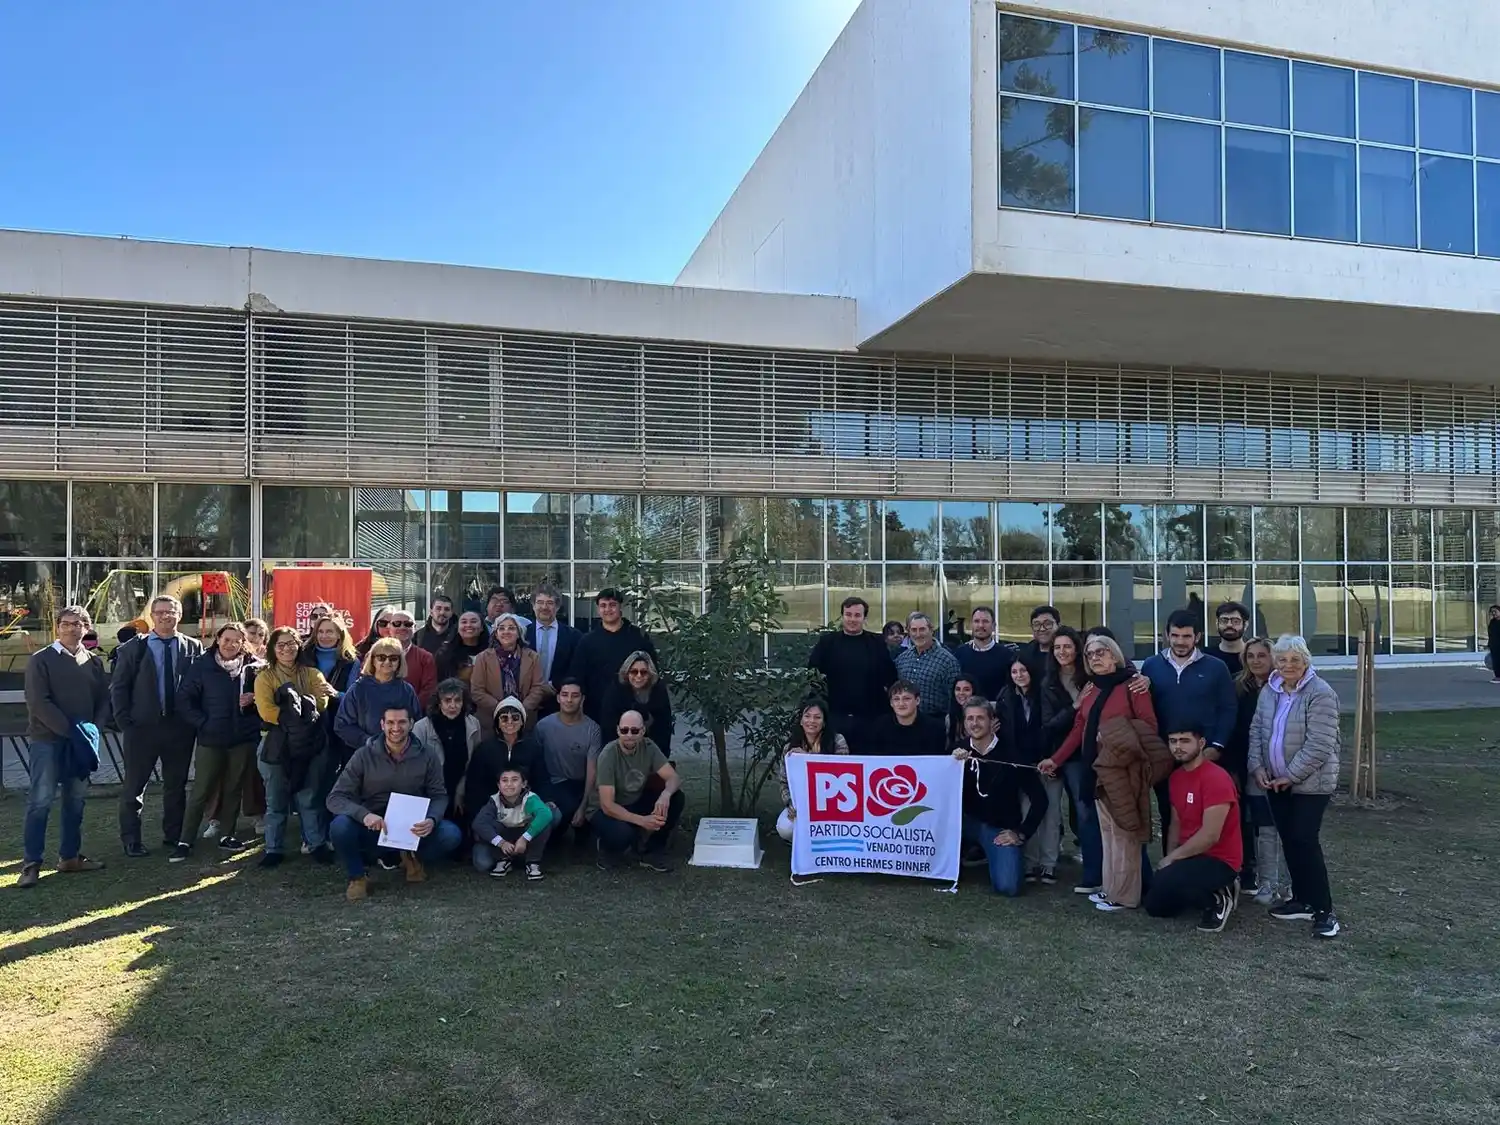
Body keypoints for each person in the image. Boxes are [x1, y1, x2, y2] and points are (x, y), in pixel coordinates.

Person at [1041, 633, 1163, 913]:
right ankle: (1112, 889)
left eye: (1101, 652)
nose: (1095, 657)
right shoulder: (1091, 689)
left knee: (1125, 835)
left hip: (1124, 769)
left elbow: (1149, 726)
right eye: (1090, 654)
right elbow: (1079, 730)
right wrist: (1056, 760)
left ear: (1114, 655)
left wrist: (1113, 736)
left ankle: (1126, 896)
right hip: (1095, 770)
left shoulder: (1133, 686)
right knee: (1108, 834)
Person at [1248, 634, 1341, 939]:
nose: (1288, 665)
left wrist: (1290, 775)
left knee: (1305, 841)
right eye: (1282, 659)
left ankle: (1325, 911)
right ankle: (1302, 900)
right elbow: (1257, 731)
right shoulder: (1270, 690)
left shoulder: (1321, 693)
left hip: (1310, 783)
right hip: (1276, 782)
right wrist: (1257, 767)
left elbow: (1320, 743)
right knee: (1289, 840)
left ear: (1306, 661)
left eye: (1295, 660)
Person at [326, 706, 463, 901]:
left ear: (411, 724)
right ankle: (357, 877)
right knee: (339, 826)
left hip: (412, 828)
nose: (396, 728)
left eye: (402, 722)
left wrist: (431, 819)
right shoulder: (363, 755)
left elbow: (439, 795)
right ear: (382, 725)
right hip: (374, 825)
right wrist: (364, 815)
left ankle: (410, 856)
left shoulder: (427, 755)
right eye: (390, 722)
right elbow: (335, 797)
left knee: (451, 834)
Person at [19, 605, 111, 888]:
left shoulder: (93, 662)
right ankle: (31, 864)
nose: (72, 628)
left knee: (75, 801)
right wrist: (71, 731)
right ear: (57, 627)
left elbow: (103, 700)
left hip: (81, 743)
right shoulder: (41, 660)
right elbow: (39, 702)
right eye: (66, 624)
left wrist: (93, 729)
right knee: (40, 801)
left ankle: (70, 858)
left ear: (87, 627)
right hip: (47, 740)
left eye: (77, 624)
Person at [110, 594, 204, 857]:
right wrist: (124, 722)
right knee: (134, 787)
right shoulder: (133, 648)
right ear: (151, 616)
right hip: (142, 729)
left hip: (179, 729)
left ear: (179, 615)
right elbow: (119, 687)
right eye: (160, 612)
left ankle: (174, 835)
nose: (165, 616)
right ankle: (132, 840)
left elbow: (200, 686)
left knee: (176, 785)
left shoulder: (193, 647)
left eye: (170, 611)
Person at [1140, 609, 1236, 854]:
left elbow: (1228, 708)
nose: (1180, 641)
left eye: (1186, 636)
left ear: (1198, 637)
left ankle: (1209, 865)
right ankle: (1170, 864)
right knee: (1169, 813)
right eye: (1175, 635)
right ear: (1166, 635)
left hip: (1204, 756)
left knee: (1207, 813)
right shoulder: (1151, 666)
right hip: (1164, 756)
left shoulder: (1216, 668)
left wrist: (1217, 746)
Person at [172, 622, 264, 860]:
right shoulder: (202, 665)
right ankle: (185, 840)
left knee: (234, 788)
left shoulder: (254, 667)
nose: (231, 644)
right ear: (218, 639)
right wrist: (203, 722)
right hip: (211, 738)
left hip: (242, 738)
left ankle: (227, 835)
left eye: (236, 640)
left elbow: (268, 697)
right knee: (201, 790)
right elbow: (184, 699)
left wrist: (254, 698)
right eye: (226, 639)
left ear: (243, 643)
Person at [1145, 725, 1243, 933]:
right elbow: (1176, 823)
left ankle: (1219, 897)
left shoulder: (1216, 778)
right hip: (1191, 856)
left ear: (1201, 743)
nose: (1178, 747)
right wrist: (1169, 859)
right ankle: (1196, 889)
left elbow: (1210, 835)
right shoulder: (1176, 778)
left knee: (1168, 881)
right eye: (1173, 741)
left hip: (1220, 860)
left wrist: (1173, 859)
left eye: (1185, 741)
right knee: (1155, 906)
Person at [255, 626, 335, 867]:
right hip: (276, 744)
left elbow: (321, 702)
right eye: (280, 645)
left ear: (299, 647)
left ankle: (316, 844)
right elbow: (267, 711)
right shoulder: (265, 677)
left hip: (311, 742)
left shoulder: (313, 674)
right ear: (273, 649)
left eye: (291, 644)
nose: (286, 649)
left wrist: (296, 711)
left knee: (309, 796)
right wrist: (298, 714)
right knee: (275, 799)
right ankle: (273, 849)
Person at [953, 698, 1046, 896]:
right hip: (963, 824)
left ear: (992, 721)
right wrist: (952, 764)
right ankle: (968, 854)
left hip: (998, 828)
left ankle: (990, 854)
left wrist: (1021, 833)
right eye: (970, 718)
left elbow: (1040, 799)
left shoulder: (1012, 753)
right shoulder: (957, 752)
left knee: (1008, 886)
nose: (975, 723)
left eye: (980, 718)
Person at [589, 709, 683, 872]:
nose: (629, 735)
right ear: (618, 730)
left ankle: (651, 850)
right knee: (622, 834)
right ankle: (606, 848)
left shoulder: (649, 747)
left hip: (634, 800)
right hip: (604, 809)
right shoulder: (608, 755)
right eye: (624, 730)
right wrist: (643, 821)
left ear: (643, 731)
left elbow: (673, 777)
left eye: (634, 731)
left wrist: (665, 795)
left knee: (676, 798)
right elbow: (607, 805)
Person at [999, 656, 1061, 885]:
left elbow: (1056, 727)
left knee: (1052, 814)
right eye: (1015, 672)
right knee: (1028, 812)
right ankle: (1030, 862)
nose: (1019, 676)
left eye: (1023, 670)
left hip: (1048, 762)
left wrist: (1054, 759)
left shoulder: (1046, 694)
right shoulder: (1007, 697)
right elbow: (1005, 732)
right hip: (1022, 765)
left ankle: (1048, 864)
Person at [1230, 638, 1284, 903]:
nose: (1255, 661)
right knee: (1262, 827)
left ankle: (1290, 883)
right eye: (1250, 656)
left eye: (1262, 655)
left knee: (1285, 828)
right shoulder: (1239, 687)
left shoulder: (1285, 686)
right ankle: (1266, 882)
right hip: (1251, 767)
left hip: (1283, 767)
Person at [806, 596, 898, 741]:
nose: (852, 619)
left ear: (864, 618)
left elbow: (890, 677)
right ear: (842, 616)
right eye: (848, 614)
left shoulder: (877, 643)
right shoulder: (827, 643)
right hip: (835, 716)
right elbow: (813, 677)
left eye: (857, 615)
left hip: (871, 718)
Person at [566, 588, 657, 727]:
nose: (608, 609)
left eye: (612, 605)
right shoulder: (587, 641)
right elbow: (578, 677)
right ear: (598, 609)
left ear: (621, 607)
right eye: (603, 605)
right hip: (597, 713)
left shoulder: (639, 637)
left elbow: (652, 673)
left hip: (634, 711)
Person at [413, 678, 483, 846]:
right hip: (431, 789)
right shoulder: (421, 727)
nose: (453, 705)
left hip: (461, 786)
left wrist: (461, 789)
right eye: (447, 700)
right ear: (439, 703)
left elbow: (475, 762)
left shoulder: (473, 724)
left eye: (457, 700)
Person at [465, 696, 546, 839]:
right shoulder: (484, 749)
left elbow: (542, 779)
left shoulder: (533, 747)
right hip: (494, 810)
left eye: (515, 718)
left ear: (522, 721)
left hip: (526, 808)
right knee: (482, 855)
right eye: (504, 718)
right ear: (497, 722)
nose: (510, 722)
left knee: (552, 814)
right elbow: (474, 786)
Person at [533, 677, 602, 842]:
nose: (569, 700)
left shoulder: (592, 729)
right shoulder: (543, 726)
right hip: (551, 784)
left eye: (575, 695)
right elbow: (535, 766)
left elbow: (592, 771)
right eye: (565, 695)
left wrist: (584, 806)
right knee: (557, 815)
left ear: (582, 699)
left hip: (580, 784)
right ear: (558, 698)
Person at [775, 700, 850, 841]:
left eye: (817, 717)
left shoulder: (838, 741)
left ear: (824, 722)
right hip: (801, 802)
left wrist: (807, 758)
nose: (812, 721)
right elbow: (784, 782)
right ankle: (801, 847)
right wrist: (791, 804)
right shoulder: (790, 747)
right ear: (801, 720)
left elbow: (842, 773)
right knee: (785, 828)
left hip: (832, 802)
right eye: (807, 716)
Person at [334, 637, 423, 750]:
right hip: (366, 753)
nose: (387, 662)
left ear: (400, 662)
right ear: (373, 660)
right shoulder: (358, 689)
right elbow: (342, 725)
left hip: (400, 752)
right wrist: (368, 741)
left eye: (393, 658)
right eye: (381, 658)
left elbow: (416, 723)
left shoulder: (406, 690)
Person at [471, 763, 555, 880]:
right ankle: (503, 859)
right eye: (504, 780)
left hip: (525, 838)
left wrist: (525, 838)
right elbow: (479, 823)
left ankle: (532, 862)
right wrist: (501, 843)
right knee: (483, 861)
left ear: (524, 784)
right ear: (498, 785)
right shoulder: (494, 801)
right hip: (505, 839)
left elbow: (545, 814)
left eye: (514, 780)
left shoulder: (530, 799)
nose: (509, 784)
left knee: (543, 824)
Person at [471, 612, 554, 730]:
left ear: (519, 633)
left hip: (525, 719)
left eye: (511, 628)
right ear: (496, 634)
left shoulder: (532, 657)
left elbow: (538, 687)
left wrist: (520, 709)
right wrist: (501, 708)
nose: (506, 632)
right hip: (491, 720)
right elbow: (477, 691)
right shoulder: (482, 658)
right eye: (501, 628)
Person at [601, 650, 673, 752]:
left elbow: (664, 727)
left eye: (643, 672)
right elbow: (608, 727)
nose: (639, 676)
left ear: (650, 674)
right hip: (619, 748)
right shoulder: (615, 692)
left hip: (651, 748)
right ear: (627, 673)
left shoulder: (659, 691)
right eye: (634, 672)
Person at [367, 606, 438, 709]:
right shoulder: (374, 654)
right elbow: (366, 683)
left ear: (415, 628)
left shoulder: (425, 658)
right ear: (389, 628)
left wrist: (408, 711)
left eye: (408, 624)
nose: (402, 627)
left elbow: (428, 690)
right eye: (397, 623)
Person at [894, 612, 960, 721]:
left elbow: (954, 699)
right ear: (908, 632)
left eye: (922, 629)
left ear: (931, 630)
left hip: (935, 721)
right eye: (914, 630)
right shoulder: (902, 659)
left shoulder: (948, 661)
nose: (918, 634)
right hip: (905, 721)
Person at [861, 680, 947, 756]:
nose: (901, 704)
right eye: (896, 699)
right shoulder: (879, 726)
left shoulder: (935, 728)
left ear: (917, 700)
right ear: (891, 703)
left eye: (906, 699)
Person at [526, 582, 580, 697]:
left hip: (560, 697)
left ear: (557, 607)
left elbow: (576, 667)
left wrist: (555, 685)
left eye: (550, 603)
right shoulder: (523, 634)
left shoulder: (573, 636)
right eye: (540, 602)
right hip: (527, 696)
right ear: (533, 605)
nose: (544, 607)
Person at [955, 607, 1018, 701]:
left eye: (985, 621)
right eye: (976, 621)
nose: (980, 625)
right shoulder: (959, 653)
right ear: (971, 625)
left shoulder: (1007, 655)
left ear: (993, 626)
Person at [435, 611, 489, 685]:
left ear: (482, 627)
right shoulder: (444, 654)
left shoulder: (491, 653)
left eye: (473, 621)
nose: (468, 625)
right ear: (458, 628)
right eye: (464, 622)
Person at [1206, 601, 1250, 677]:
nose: (1229, 625)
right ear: (1217, 624)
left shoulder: (1253, 657)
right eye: (1224, 621)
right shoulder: (1205, 657)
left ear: (1245, 625)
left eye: (1235, 621)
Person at [947, 675, 977, 748]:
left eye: (966, 690)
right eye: (958, 689)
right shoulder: (949, 718)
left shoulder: (987, 712)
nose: (961, 693)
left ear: (974, 691)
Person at [1488, 605, 1500, 684]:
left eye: (1495, 611)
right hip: (1494, 645)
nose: (1493, 613)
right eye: (1492, 612)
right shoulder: (1492, 622)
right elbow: (1491, 634)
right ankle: (1498, 676)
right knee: (1496, 661)